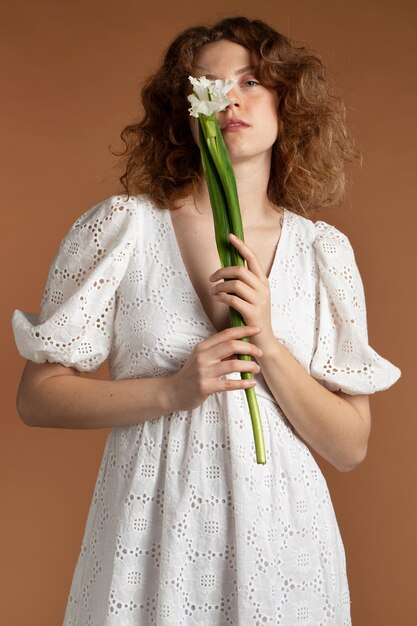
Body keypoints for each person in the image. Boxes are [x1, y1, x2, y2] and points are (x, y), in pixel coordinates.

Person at [12, 16, 401, 626]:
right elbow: (36, 398)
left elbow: (350, 445)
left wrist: (268, 346)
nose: (232, 100)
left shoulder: (323, 252)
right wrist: (171, 391)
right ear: (186, 112)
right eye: (211, 85)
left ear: (286, 102)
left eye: (251, 81)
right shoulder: (124, 228)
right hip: (151, 530)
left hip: (284, 541)